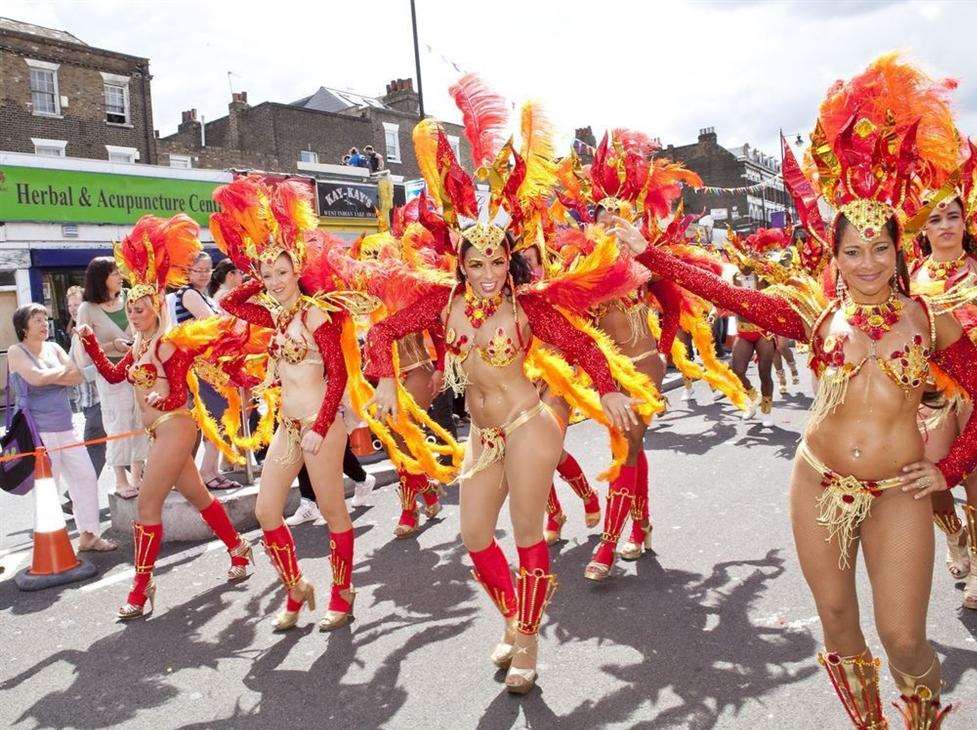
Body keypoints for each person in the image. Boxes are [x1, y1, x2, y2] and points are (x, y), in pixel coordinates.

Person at [615, 54, 973, 726]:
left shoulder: (931, 320)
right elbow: (728, 292)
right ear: (832, 256)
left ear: (900, 251)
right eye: (851, 251)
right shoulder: (813, 314)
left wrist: (948, 466)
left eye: (879, 249)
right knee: (837, 624)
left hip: (898, 491)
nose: (866, 264)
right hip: (817, 483)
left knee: (903, 639)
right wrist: (650, 253)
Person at [364, 106, 648, 693]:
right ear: (461, 264)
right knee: (472, 534)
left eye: (496, 260)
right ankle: (516, 623)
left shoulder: (528, 306)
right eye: (476, 261)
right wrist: (384, 379)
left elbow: (584, 346)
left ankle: (528, 643)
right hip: (483, 435)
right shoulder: (444, 305)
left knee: (525, 534)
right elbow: (383, 332)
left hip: (528, 426)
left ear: (507, 260)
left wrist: (612, 388)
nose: (488, 271)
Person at [214, 174, 385, 632]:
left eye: (282, 273)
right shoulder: (273, 312)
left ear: (299, 272)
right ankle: (296, 588)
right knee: (267, 511)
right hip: (288, 426)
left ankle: (342, 591)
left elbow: (339, 373)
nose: (274, 282)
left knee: (332, 510)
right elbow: (231, 301)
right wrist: (259, 273)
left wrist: (321, 424)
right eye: (268, 275)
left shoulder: (316, 314)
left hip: (321, 425)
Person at [79, 215, 253, 621]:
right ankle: (239, 548)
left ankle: (141, 588)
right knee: (199, 497)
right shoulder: (138, 343)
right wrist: (90, 343)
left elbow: (180, 392)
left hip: (176, 424)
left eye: (141, 309)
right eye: (131, 309)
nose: (134, 315)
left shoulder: (169, 343)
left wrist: (164, 392)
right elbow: (113, 374)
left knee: (147, 505)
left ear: (156, 308)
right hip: (157, 432)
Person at [911, 190, 977, 610]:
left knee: (974, 480)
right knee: (931, 477)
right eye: (935, 219)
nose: (946, 226)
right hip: (931, 393)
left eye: (952, 216)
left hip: (975, 389)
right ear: (923, 229)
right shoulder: (912, 278)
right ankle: (955, 536)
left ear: (965, 223)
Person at [8, 303, 118, 553]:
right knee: (48, 488)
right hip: (38, 431)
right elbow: (35, 378)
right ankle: (52, 547)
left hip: (67, 426)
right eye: (36, 319)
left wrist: (49, 374)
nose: (43, 324)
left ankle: (89, 535)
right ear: (23, 327)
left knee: (86, 478)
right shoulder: (17, 351)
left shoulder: (55, 347)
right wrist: (60, 374)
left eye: (44, 319)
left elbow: (77, 376)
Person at [76, 257, 147, 499]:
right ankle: (120, 479)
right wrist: (113, 345)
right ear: (101, 278)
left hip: (138, 370)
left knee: (140, 421)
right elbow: (84, 346)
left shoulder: (130, 296)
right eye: (114, 273)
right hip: (109, 374)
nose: (120, 276)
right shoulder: (87, 309)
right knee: (117, 424)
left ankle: (138, 476)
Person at [173, 252, 236, 492]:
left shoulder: (202, 294)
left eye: (207, 269)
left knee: (218, 415)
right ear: (187, 272)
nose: (202, 274)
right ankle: (207, 472)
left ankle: (212, 470)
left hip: (209, 365)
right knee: (217, 416)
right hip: (200, 365)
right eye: (197, 269)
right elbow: (214, 324)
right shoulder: (188, 293)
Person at [65, 285, 106, 486]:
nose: (73, 308)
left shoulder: (88, 333)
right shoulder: (75, 334)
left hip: (98, 400)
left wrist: (75, 374)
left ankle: (77, 497)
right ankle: (145, 479)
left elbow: (93, 368)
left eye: (77, 304)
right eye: (70, 305)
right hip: (89, 402)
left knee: (94, 449)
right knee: (108, 447)